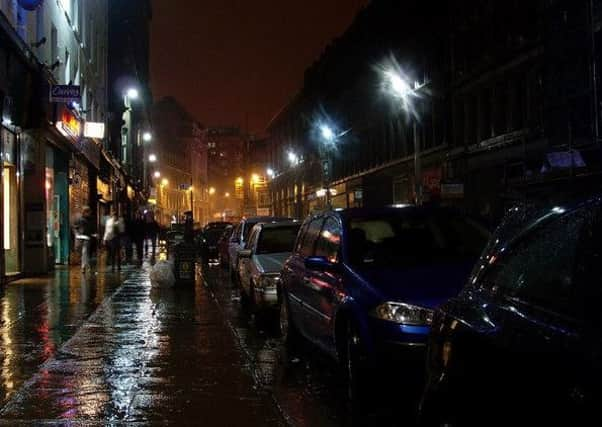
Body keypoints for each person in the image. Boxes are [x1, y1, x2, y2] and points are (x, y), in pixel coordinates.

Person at [74, 206, 94, 273]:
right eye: (88, 212)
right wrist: (77, 234)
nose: (89, 213)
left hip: (86, 238)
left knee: (84, 252)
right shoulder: (79, 219)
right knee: (82, 253)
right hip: (80, 238)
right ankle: (87, 265)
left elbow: (91, 229)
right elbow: (75, 227)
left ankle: (83, 267)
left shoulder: (90, 219)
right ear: (85, 212)